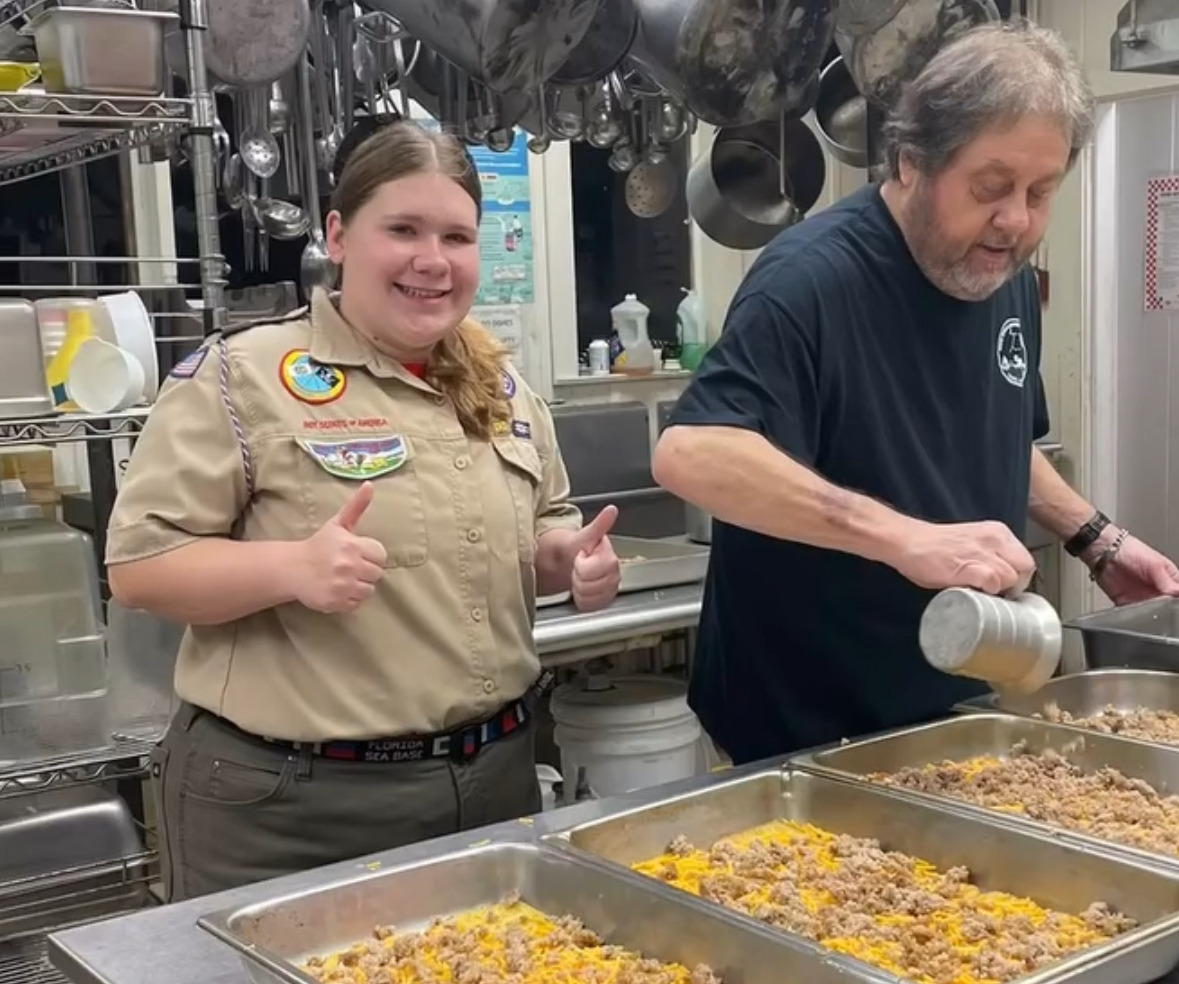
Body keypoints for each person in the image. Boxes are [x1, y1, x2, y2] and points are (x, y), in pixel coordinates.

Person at [106, 120, 621, 901]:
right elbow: (139, 569)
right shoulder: (244, 377)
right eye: (403, 230)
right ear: (340, 236)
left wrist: (563, 558)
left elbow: (543, 523)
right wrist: (290, 568)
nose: (432, 260)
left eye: (456, 236)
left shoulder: (504, 391)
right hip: (293, 811)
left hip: (494, 786)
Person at [653, 20, 1179, 766]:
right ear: (907, 163)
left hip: (953, 703)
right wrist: (904, 537)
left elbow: (994, 437)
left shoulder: (1003, 278)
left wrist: (1093, 536)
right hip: (804, 725)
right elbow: (693, 452)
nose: (1017, 220)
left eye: (1041, 191)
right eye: (991, 187)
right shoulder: (808, 281)